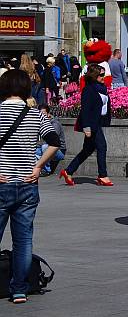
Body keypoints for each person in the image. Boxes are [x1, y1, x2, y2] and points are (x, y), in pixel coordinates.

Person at [0, 70, 61, 303]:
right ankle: (19, 289)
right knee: (23, 240)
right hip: (27, 184)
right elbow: (54, 142)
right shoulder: (36, 115)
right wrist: (37, 167)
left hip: (2, 182)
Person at [59, 64, 113, 187]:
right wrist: (87, 127)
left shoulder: (102, 88)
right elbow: (86, 110)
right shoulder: (89, 89)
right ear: (94, 76)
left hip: (98, 122)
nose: (103, 77)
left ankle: (68, 171)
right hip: (92, 124)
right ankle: (103, 175)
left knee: (87, 150)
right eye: (101, 75)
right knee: (102, 146)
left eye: (104, 74)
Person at [35, 104, 65, 176]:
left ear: (48, 114)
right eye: (40, 114)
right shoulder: (38, 122)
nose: (41, 116)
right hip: (41, 146)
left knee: (45, 147)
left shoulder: (55, 124)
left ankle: (46, 170)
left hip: (59, 151)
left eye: (44, 114)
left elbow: (53, 142)